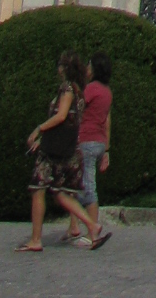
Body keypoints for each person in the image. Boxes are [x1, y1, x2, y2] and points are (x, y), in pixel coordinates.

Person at [21, 50, 104, 252]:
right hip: (67, 147)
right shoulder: (79, 91)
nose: (57, 68)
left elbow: (61, 117)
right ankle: (92, 225)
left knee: (38, 188)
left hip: (54, 151)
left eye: (59, 65)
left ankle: (35, 240)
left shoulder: (67, 89)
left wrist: (39, 129)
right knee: (60, 193)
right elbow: (69, 123)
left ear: (65, 68)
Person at [66, 49, 113, 246]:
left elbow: (76, 108)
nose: (86, 68)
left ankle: (93, 231)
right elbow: (108, 121)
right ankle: (74, 226)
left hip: (87, 141)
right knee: (74, 183)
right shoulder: (107, 92)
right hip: (100, 142)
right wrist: (107, 150)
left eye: (89, 65)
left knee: (87, 187)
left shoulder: (91, 89)